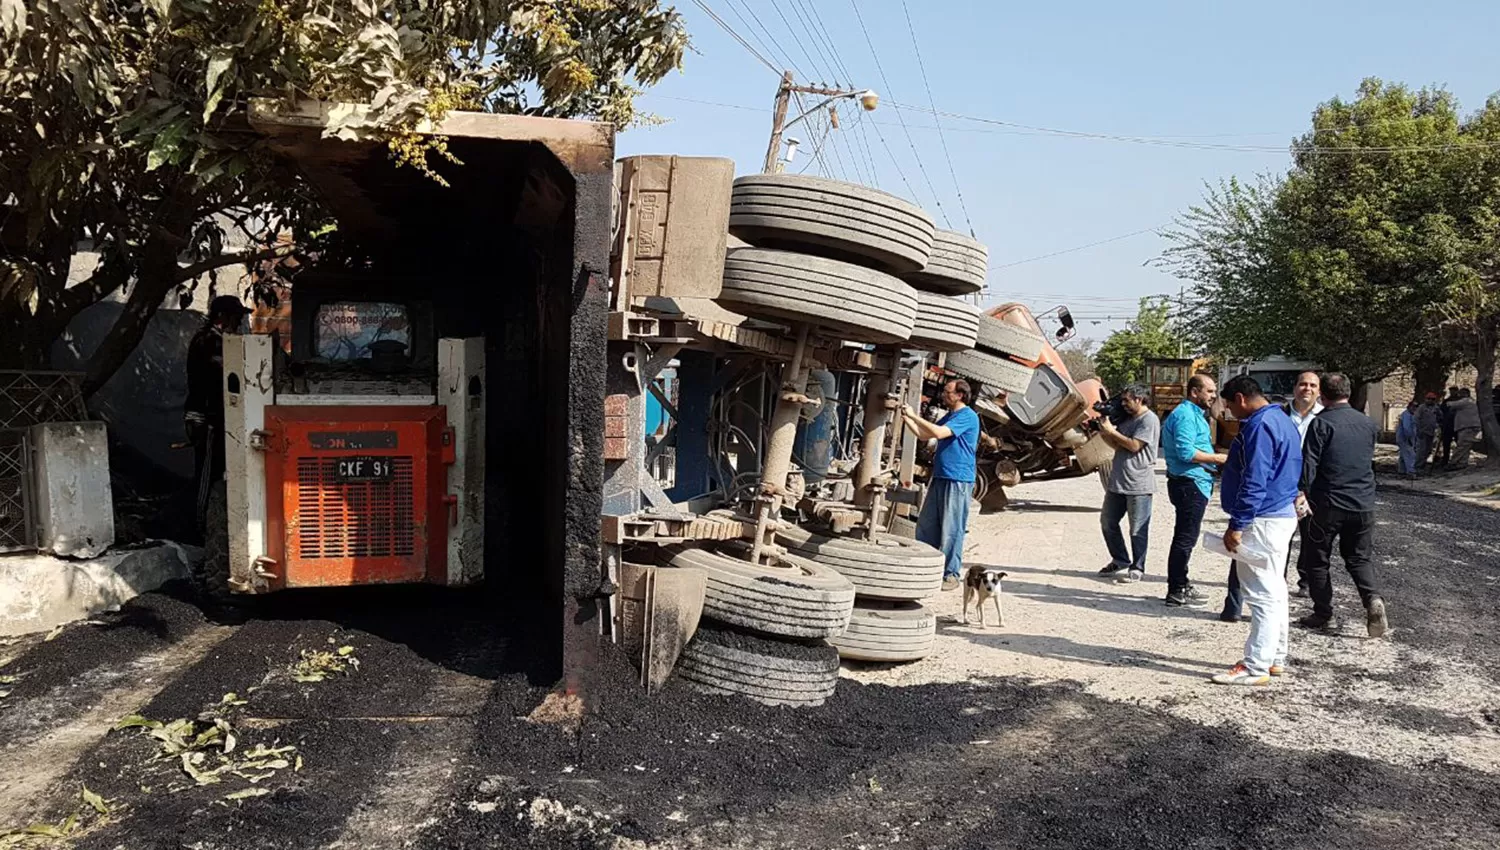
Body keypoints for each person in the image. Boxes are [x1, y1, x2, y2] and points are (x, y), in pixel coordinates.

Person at [1211, 375, 1303, 687]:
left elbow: (1255, 478)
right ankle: (1275, 657)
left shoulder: (1259, 425)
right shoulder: (1282, 419)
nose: (1229, 412)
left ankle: (1256, 665)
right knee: (1275, 589)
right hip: (1280, 514)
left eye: (1228, 405)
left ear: (1240, 398)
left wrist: (1238, 524)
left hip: (1262, 519)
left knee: (1260, 593)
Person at [1296, 372, 1388, 637]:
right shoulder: (1368, 424)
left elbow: (1310, 464)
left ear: (1321, 395)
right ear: (1348, 391)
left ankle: (1322, 613)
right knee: (1359, 558)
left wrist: (1300, 492)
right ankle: (1372, 599)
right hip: (1363, 503)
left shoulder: (1321, 424)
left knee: (1317, 559)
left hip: (1327, 504)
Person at [903, 379, 981, 591]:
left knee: (951, 528)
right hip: (941, 476)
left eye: (948, 392)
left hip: (958, 479)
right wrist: (904, 417)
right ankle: (926, 567)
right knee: (927, 525)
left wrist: (913, 415)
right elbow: (923, 434)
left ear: (960, 395)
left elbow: (938, 433)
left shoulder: (967, 416)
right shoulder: (951, 416)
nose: (943, 395)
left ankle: (951, 574)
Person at [1160, 374, 1227, 607]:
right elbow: (1186, 453)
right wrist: (1218, 459)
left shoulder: (1195, 414)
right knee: (1185, 538)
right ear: (1194, 392)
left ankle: (1181, 583)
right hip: (1188, 484)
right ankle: (1176, 590)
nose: (1213, 396)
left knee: (1186, 536)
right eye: (1209, 391)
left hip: (1194, 482)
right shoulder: (1185, 415)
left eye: (1214, 391)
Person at [185, 295, 251, 528]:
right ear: (223, 317)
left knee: (218, 472)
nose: (240, 323)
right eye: (237, 318)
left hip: (220, 417)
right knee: (207, 474)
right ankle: (198, 526)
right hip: (206, 418)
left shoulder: (219, 341)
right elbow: (218, 377)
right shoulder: (207, 342)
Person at [1096, 385, 1160, 585]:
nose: (1123, 404)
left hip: (1139, 484)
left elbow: (1133, 445)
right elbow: (1118, 445)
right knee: (1108, 522)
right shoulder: (1127, 419)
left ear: (1139, 399)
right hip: (1118, 482)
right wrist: (1104, 431)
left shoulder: (1149, 420)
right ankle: (1120, 559)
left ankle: (1138, 567)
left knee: (1137, 529)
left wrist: (1110, 431)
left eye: (1127, 400)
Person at [1284, 371, 1324, 443]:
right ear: (1294, 388)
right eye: (1303, 384)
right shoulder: (1281, 413)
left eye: (1313, 385)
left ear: (1319, 392)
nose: (1307, 388)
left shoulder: (1324, 416)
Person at [1447, 388, 1482, 470]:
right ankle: (1462, 463)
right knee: (1466, 446)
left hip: (1467, 427)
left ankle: (1453, 462)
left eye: (1461, 393)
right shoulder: (1472, 402)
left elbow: (1451, 404)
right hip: (1470, 427)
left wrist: (1448, 402)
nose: (1459, 395)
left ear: (1466, 394)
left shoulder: (1466, 401)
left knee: (1461, 446)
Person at [1414, 392, 1441, 472]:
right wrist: (1418, 430)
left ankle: (1423, 464)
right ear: (1425, 399)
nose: (1430, 401)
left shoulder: (1435, 408)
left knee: (1428, 450)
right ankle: (1417, 466)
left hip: (1431, 432)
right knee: (1421, 450)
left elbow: (1440, 417)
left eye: (1432, 399)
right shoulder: (1421, 408)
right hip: (1422, 432)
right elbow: (1416, 419)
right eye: (1429, 399)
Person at [1395, 400, 1420, 477]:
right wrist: (1409, 438)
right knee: (1410, 455)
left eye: (1416, 407)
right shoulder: (1407, 415)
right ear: (1409, 407)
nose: (1414, 408)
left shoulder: (1410, 415)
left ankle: (1401, 471)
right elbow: (1407, 428)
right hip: (1405, 438)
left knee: (1403, 455)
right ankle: (1411, 472)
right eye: (1413, 406)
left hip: (1404, 438)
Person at [1438, 387, 1460, 468]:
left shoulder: (1460, 401)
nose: (1452, 392)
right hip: (1447, 425)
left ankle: (1458, 460)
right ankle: (1445, 460)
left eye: (1454, 391)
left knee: (1459, 443)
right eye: (1451, 391)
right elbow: (1442, 412)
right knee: (1446, 444)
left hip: (1457, 425)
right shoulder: (1446, 401)